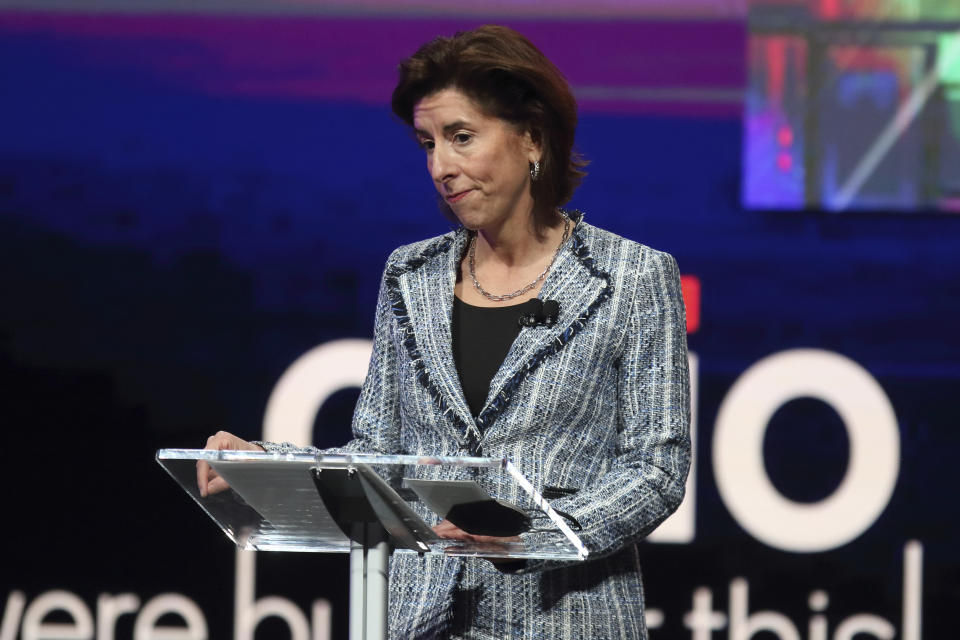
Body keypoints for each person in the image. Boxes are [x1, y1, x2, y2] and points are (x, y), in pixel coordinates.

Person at [198, 25, 690, 639]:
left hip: (562, 618)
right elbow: (377, 459)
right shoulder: (410, 274)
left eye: (461, 138)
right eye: (428, 144)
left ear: (533, 138)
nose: (441, 167)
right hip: (420, 622)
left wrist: (536, 534)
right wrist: (265, 466)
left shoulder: (633, 277)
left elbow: (656, 469)